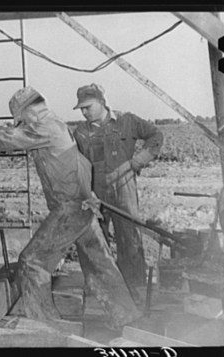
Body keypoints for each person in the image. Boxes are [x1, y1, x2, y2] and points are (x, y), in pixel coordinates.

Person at [0, 86, 141, 330]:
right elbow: (82, 162)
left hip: (70, 208)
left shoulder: (44, 126)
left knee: (32, 262)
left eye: (22, 119)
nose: (22, 124)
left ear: (30, 112)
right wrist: (89, 195)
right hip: (82, 204)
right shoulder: (53, 122)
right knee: (99, 262)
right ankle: (127, 317)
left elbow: (8, 139)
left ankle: (46, 327)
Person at [72, 83, 164, 291]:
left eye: (88, 106)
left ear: (102, 102)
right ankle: (105, 292)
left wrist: (140, 159)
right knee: (97, 241)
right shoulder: (80, 132)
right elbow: (79, 167)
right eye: (82, 109)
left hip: (124, 189)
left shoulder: (127, 121)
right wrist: (87, 193)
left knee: (129, 239)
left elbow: (156, 136)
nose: (84, 112)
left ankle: (135, 290)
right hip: (96, 193)